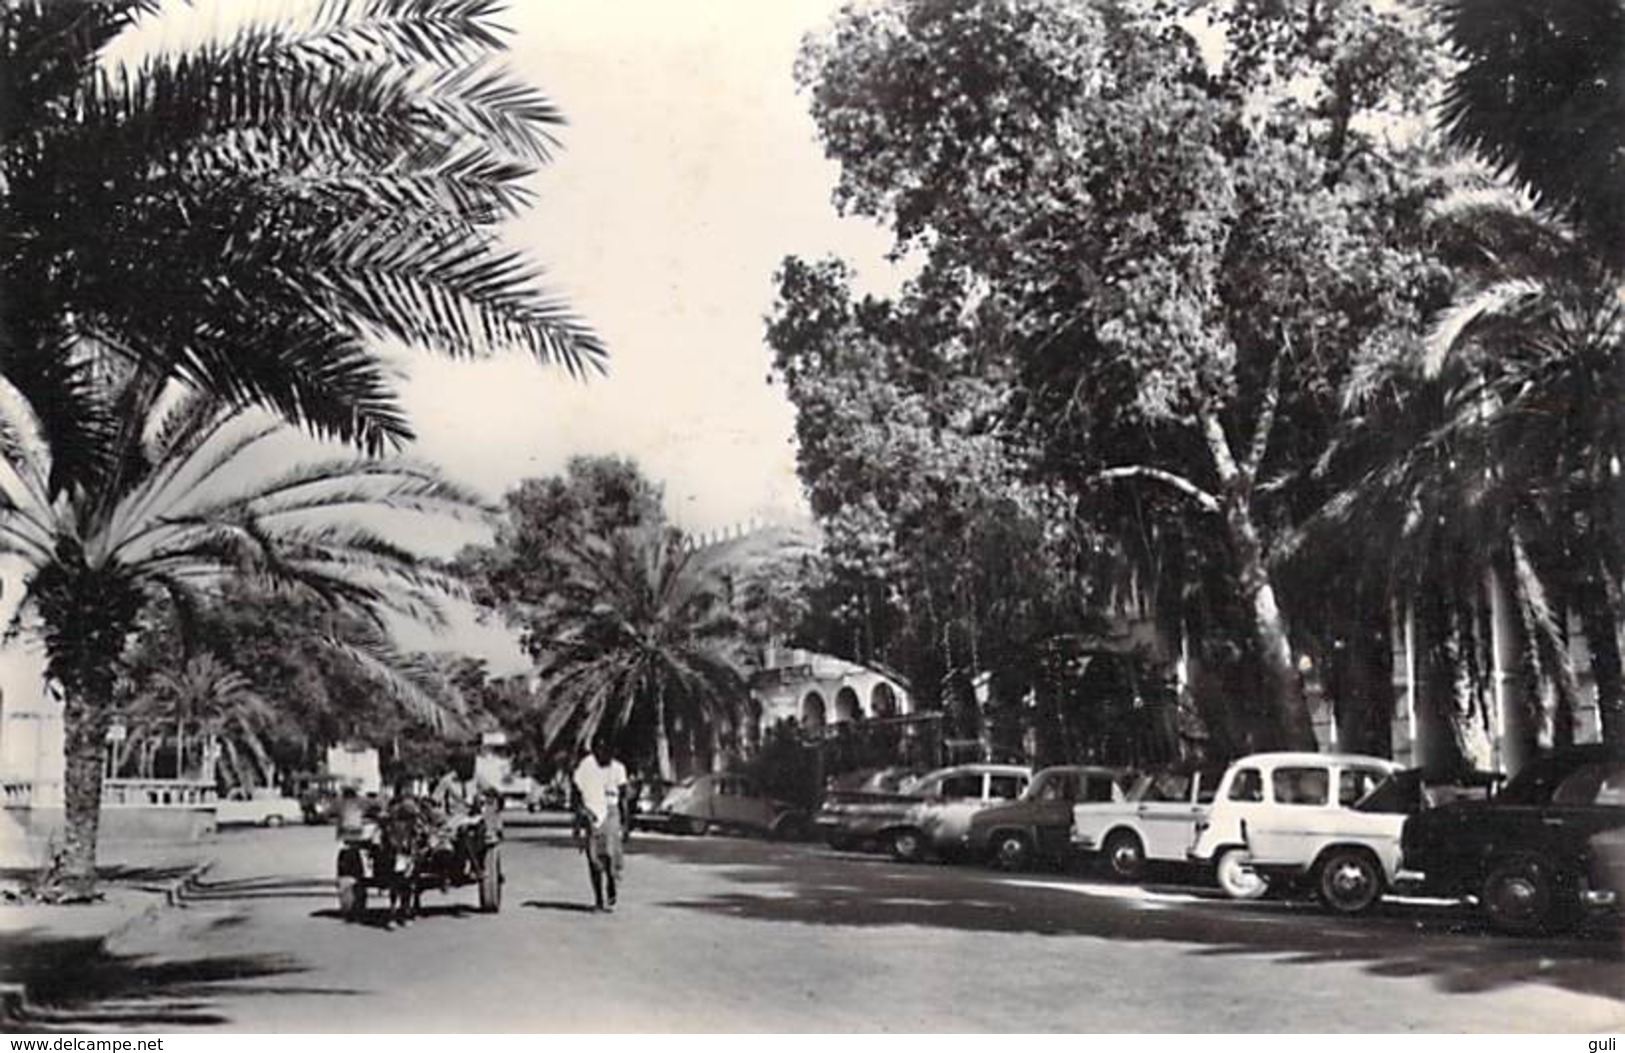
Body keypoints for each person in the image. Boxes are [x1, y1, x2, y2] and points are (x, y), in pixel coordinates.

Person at [572, 737, 629, 912]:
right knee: (594, 859)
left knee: (610, 854)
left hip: (611, 812)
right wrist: (577, 821)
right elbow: (576, 794)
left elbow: (624, 797)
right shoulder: (586, 767)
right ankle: (598, 899)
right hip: (592, 814)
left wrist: (626, 823)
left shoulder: (618, 769)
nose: (603, 754)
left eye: (607, 751)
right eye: (599, 750)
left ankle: (611, 883)